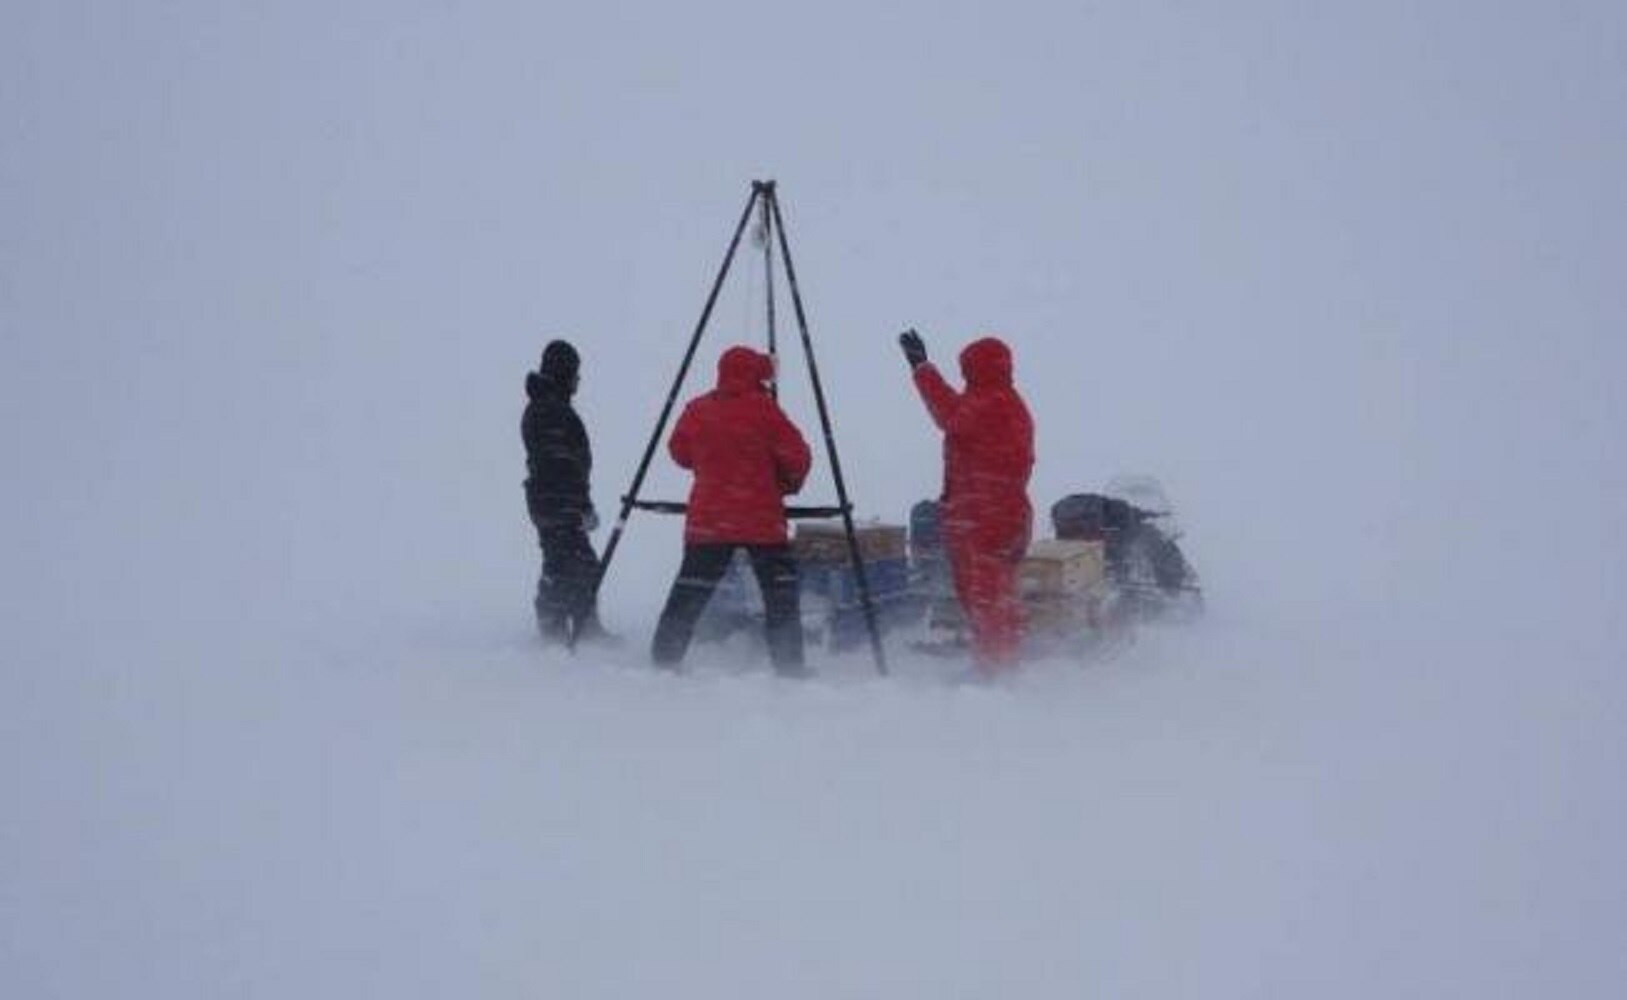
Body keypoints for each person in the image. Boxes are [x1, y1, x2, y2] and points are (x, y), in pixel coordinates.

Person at [650, 345, 812, 675]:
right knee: (779, 594)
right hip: (761, 520)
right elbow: (798, 457)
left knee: (690, 590)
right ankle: (789, 664)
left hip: (710, 520)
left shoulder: (698, 409)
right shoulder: (765, 411)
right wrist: (785, 484)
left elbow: (677, 450)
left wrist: (709, 465)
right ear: (756, 375)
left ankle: (665, 658)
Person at [898, 329, 1035, 672]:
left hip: (983, 518)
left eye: (967, 370)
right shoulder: (1013, 405)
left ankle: (995, 671)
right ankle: (999, 657)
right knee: (996, 594)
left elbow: (947, 413)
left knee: (985, 596)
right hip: (1004, 513)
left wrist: (921, 366)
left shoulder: (988, 403)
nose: (964, 377)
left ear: (977, 369)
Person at [522, 339, 610, 645]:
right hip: (557, 503)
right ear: (564, 373)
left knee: (567, 562)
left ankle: (569, 626)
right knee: (573, 564)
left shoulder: (547, 407)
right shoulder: (550, 410)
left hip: (552, 502)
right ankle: (566, 628)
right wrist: (579, 505)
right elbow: (562, 465)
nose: (578, 380)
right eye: (575, 372)